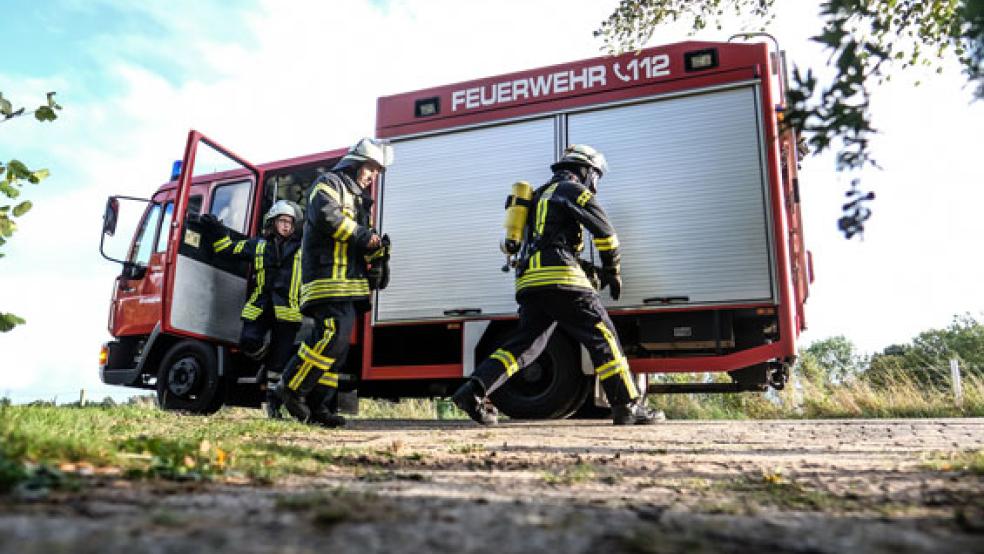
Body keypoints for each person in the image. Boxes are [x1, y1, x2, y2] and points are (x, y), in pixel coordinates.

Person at [451, 144, 663, 426]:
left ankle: (473, 391)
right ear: (585, 171)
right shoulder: (572, 190)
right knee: (603, 337)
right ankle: (627, 405)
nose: (596, 183)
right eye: (596, 175)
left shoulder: (537, 196)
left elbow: (548, 243)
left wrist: (588, 269)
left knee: (523, 346)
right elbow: (605, 233)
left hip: (529, 282)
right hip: (562, 281)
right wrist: (613, 270)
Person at [276, 137, 393, 427]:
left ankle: (319, 408)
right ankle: (290, 387)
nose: (373, 176)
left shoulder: (359, 199)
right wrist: (364, 236)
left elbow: (360, 237)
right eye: (371, 169)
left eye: (377, 172)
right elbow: (328, 216)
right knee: (330, 336)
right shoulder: (329, 183)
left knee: (337, 349)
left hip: (347, 284)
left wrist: (378, 254)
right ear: (355, 164)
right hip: (326, 279)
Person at [200, 200, 304, 418]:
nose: (286, 226)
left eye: (290, 222)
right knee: (249, 342)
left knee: (278, 366)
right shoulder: (257, 245)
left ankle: (273, 407)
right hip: (260, 307)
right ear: (272, 223)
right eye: (282, 221)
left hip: (288, 312)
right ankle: (267, 364)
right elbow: (226, 249)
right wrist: (216, 229)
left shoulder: (304, 249)